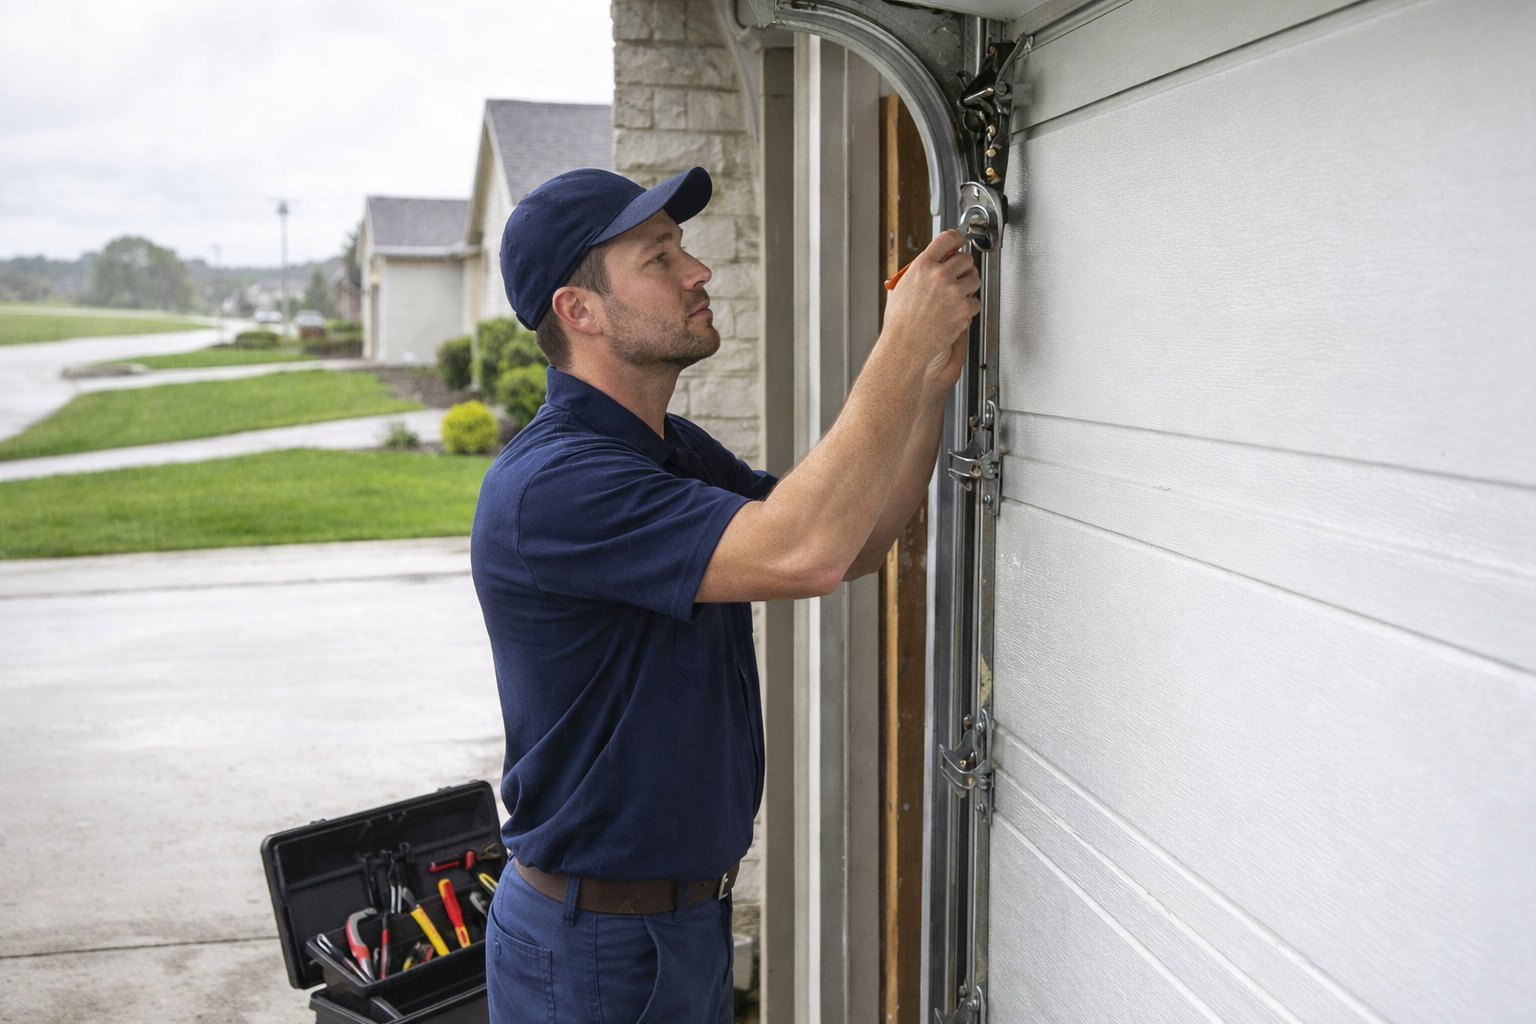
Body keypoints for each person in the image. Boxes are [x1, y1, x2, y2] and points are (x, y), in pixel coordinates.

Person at [471, 165, 979, 1024]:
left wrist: (927, 384)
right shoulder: (556, 487)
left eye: (684, 248)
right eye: (658, 257)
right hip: (594, 949)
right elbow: (807, 550)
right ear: (578, 311)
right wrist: (897, 344)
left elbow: (851, 542)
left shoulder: (664, 449)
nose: (697, 271)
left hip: (678, 928)